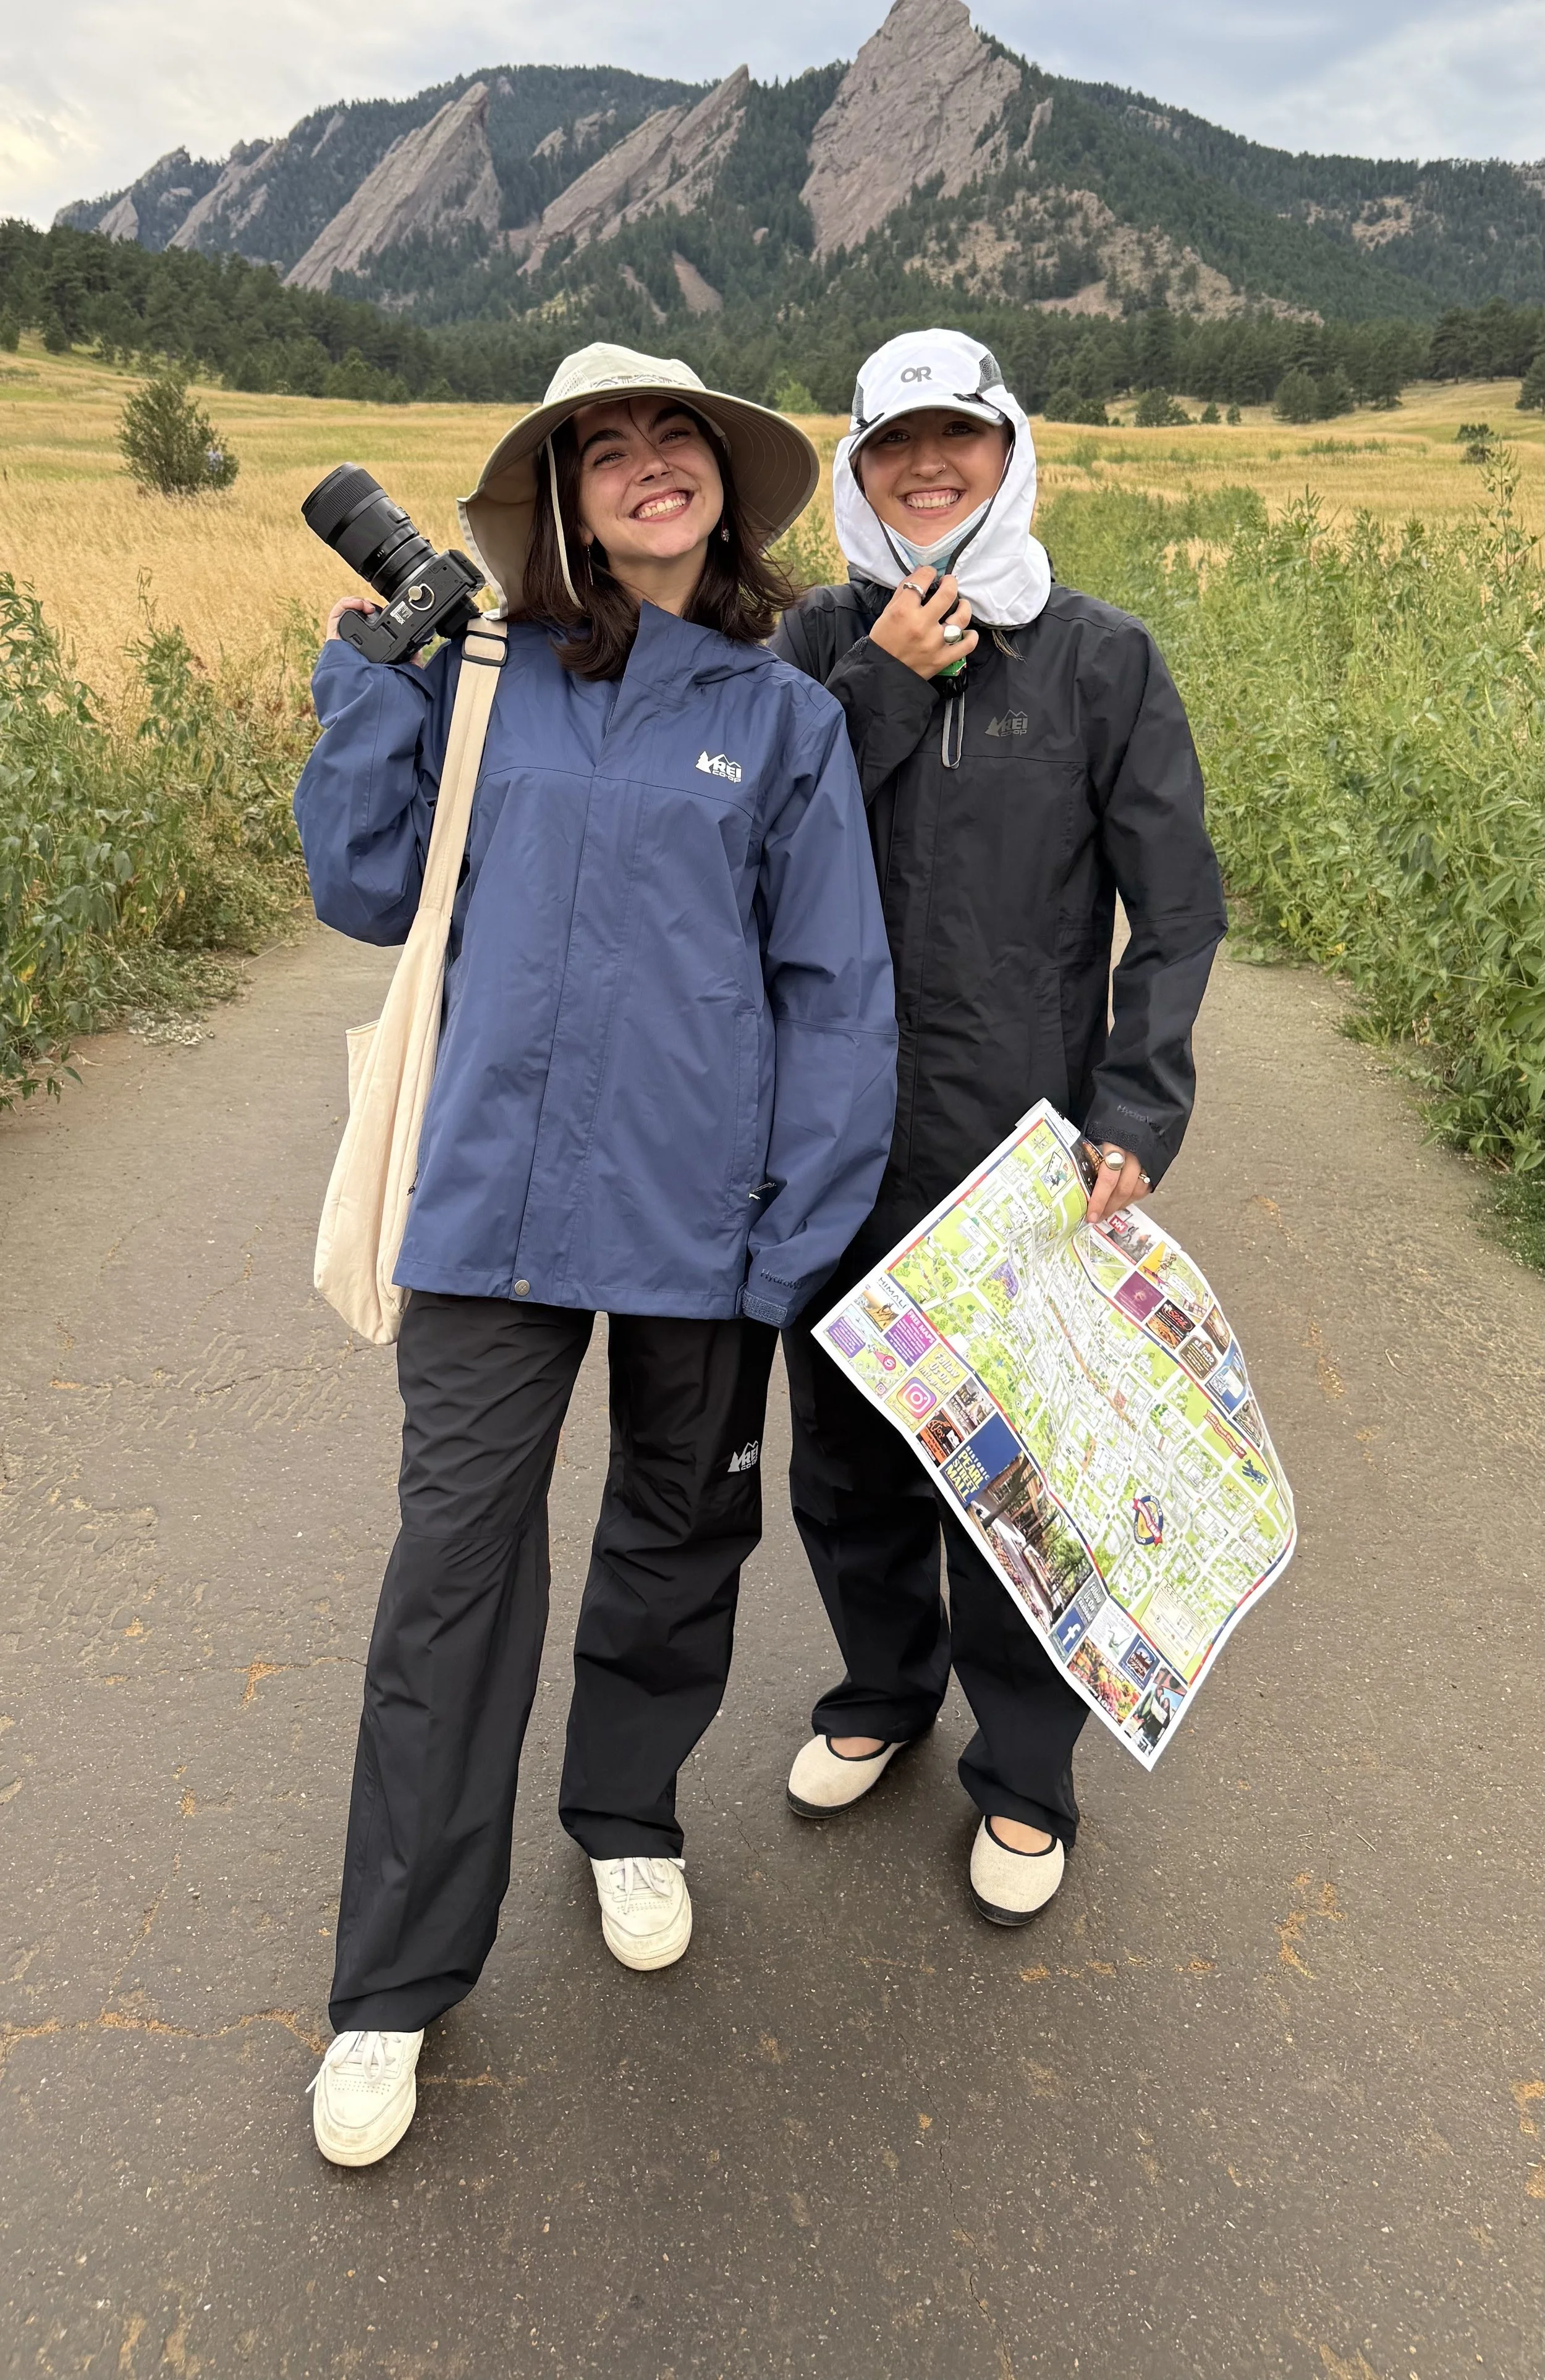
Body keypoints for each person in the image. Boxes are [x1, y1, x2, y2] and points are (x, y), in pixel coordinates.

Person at [294, 344, 897, 2166]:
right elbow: (364, 887)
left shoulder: (778, 714)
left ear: (722, 483)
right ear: (560, 491)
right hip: (486, 1201)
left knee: (676, 1523)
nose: (648, 466)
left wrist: (798, 1222)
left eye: (675, 441)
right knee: (452, 1570)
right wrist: (364, 683)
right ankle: (391, 1987)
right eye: (607, 446)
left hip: (698, 1216)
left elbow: (833, 985)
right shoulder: (486, 677)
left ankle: (626, 1813)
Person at [772, 326, 1226, 1928]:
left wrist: (1133, 1108)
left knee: (1013, 1475)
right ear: (857, 466)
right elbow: (752, 842)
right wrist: (880, 675)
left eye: (955, 438)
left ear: (1008, 450)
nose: (926, 469)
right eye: (896, 446)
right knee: (845, 1455)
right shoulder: (810, 639)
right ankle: (883, 1689)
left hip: (1011, 1152)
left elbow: (1173, 918)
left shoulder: (1101, 660)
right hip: (828, 1143)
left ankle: (1025, 1776)